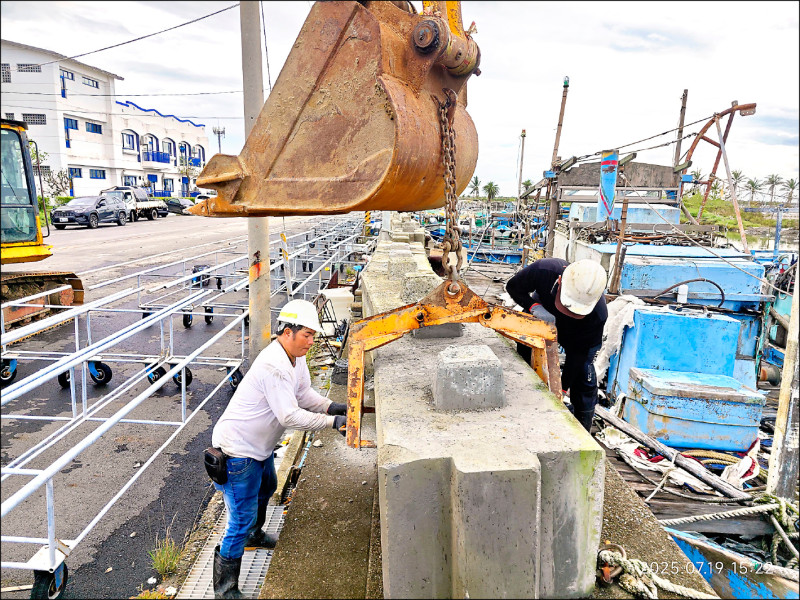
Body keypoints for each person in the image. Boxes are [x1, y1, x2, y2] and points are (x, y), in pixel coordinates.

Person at [210, 299, 348, 599]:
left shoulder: (294, 359)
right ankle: (225, 589)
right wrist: (332, 422)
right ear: (288, 331)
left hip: (258, 448)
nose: (311, 342)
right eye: (307, 335)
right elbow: (289, 415)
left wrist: (332, 406)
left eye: (313, 335)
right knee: (240, 518)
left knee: (269, 485)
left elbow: (304, 394)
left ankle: (254, 535)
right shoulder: (274, 364)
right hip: (237, 451)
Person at [505, 258, 608, 432]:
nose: (570, 313)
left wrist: (562, 389)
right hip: (541, 316)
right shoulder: (544, 270)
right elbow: (513, 287)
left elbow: (577, 355)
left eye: (576, 312)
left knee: (583, 374)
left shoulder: (597, 316)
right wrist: (534, 306)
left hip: (578, 335)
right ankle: (525, 406)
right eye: (568, 307)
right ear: (559, 282)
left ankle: (581, 431)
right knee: (526, 361)